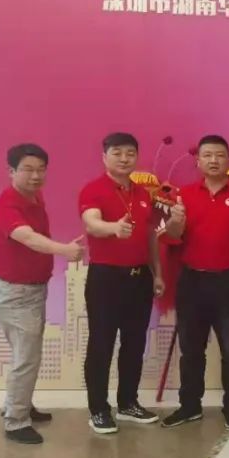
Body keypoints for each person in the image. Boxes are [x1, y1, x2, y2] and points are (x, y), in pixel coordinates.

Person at [161, 136, 229, 430]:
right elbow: (172, 237)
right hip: (192, 281)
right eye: (207, 155)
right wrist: (175, 221)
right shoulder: (185, 195)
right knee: (191, 350)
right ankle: (190, 406)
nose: (214, 160)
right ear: (198, 161)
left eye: (219, 155)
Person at [0, 144, 84, 444]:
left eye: (41, 169)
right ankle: (16, 421)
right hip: (17, 293)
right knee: (26, 358)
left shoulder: (34, 197)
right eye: (28, 169)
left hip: (32, 288)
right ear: (11, 171)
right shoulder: (7, 206)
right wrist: (64, 250)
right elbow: (28, 238)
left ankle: (19, 404)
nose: (35, 176)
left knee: (26, 355)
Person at [79, 132, 164, 434]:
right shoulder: (94, 190)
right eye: (117, 153)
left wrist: (158, 273)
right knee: (101, 344)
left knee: (135, 343)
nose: (124, 159)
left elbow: (150, 236)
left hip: (139, 278)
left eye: (130, 153)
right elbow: (91, 223)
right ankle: (98, 410)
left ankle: (128, 402)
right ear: (104, 157)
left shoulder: (142, 193)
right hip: (106, 278)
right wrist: (113, 228)